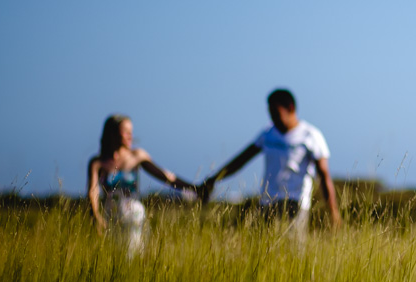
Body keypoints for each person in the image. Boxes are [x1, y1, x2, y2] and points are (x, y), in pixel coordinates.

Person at [200, 89, 341, 234]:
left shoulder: (311, 136)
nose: (272, 118)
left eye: (276, 113)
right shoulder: (268, 134)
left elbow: (324, 175)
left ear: (290, 108)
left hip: (295, 204)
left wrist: (333, 211)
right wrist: (213, 179)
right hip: (267, 203)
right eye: (270, 113)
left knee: (293, 252)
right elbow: (241, 160)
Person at [86, 114, 197, 255]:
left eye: (131, 132)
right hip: (110, 216)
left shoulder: (137, 156)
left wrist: (195, 188)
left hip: (133, 214)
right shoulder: (97, 163)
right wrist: (95, 215)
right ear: (112, 134)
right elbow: (92, 191)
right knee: (111, 256)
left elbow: (166, 177)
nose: (130, 136)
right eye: (125, 132)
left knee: (129, 255)